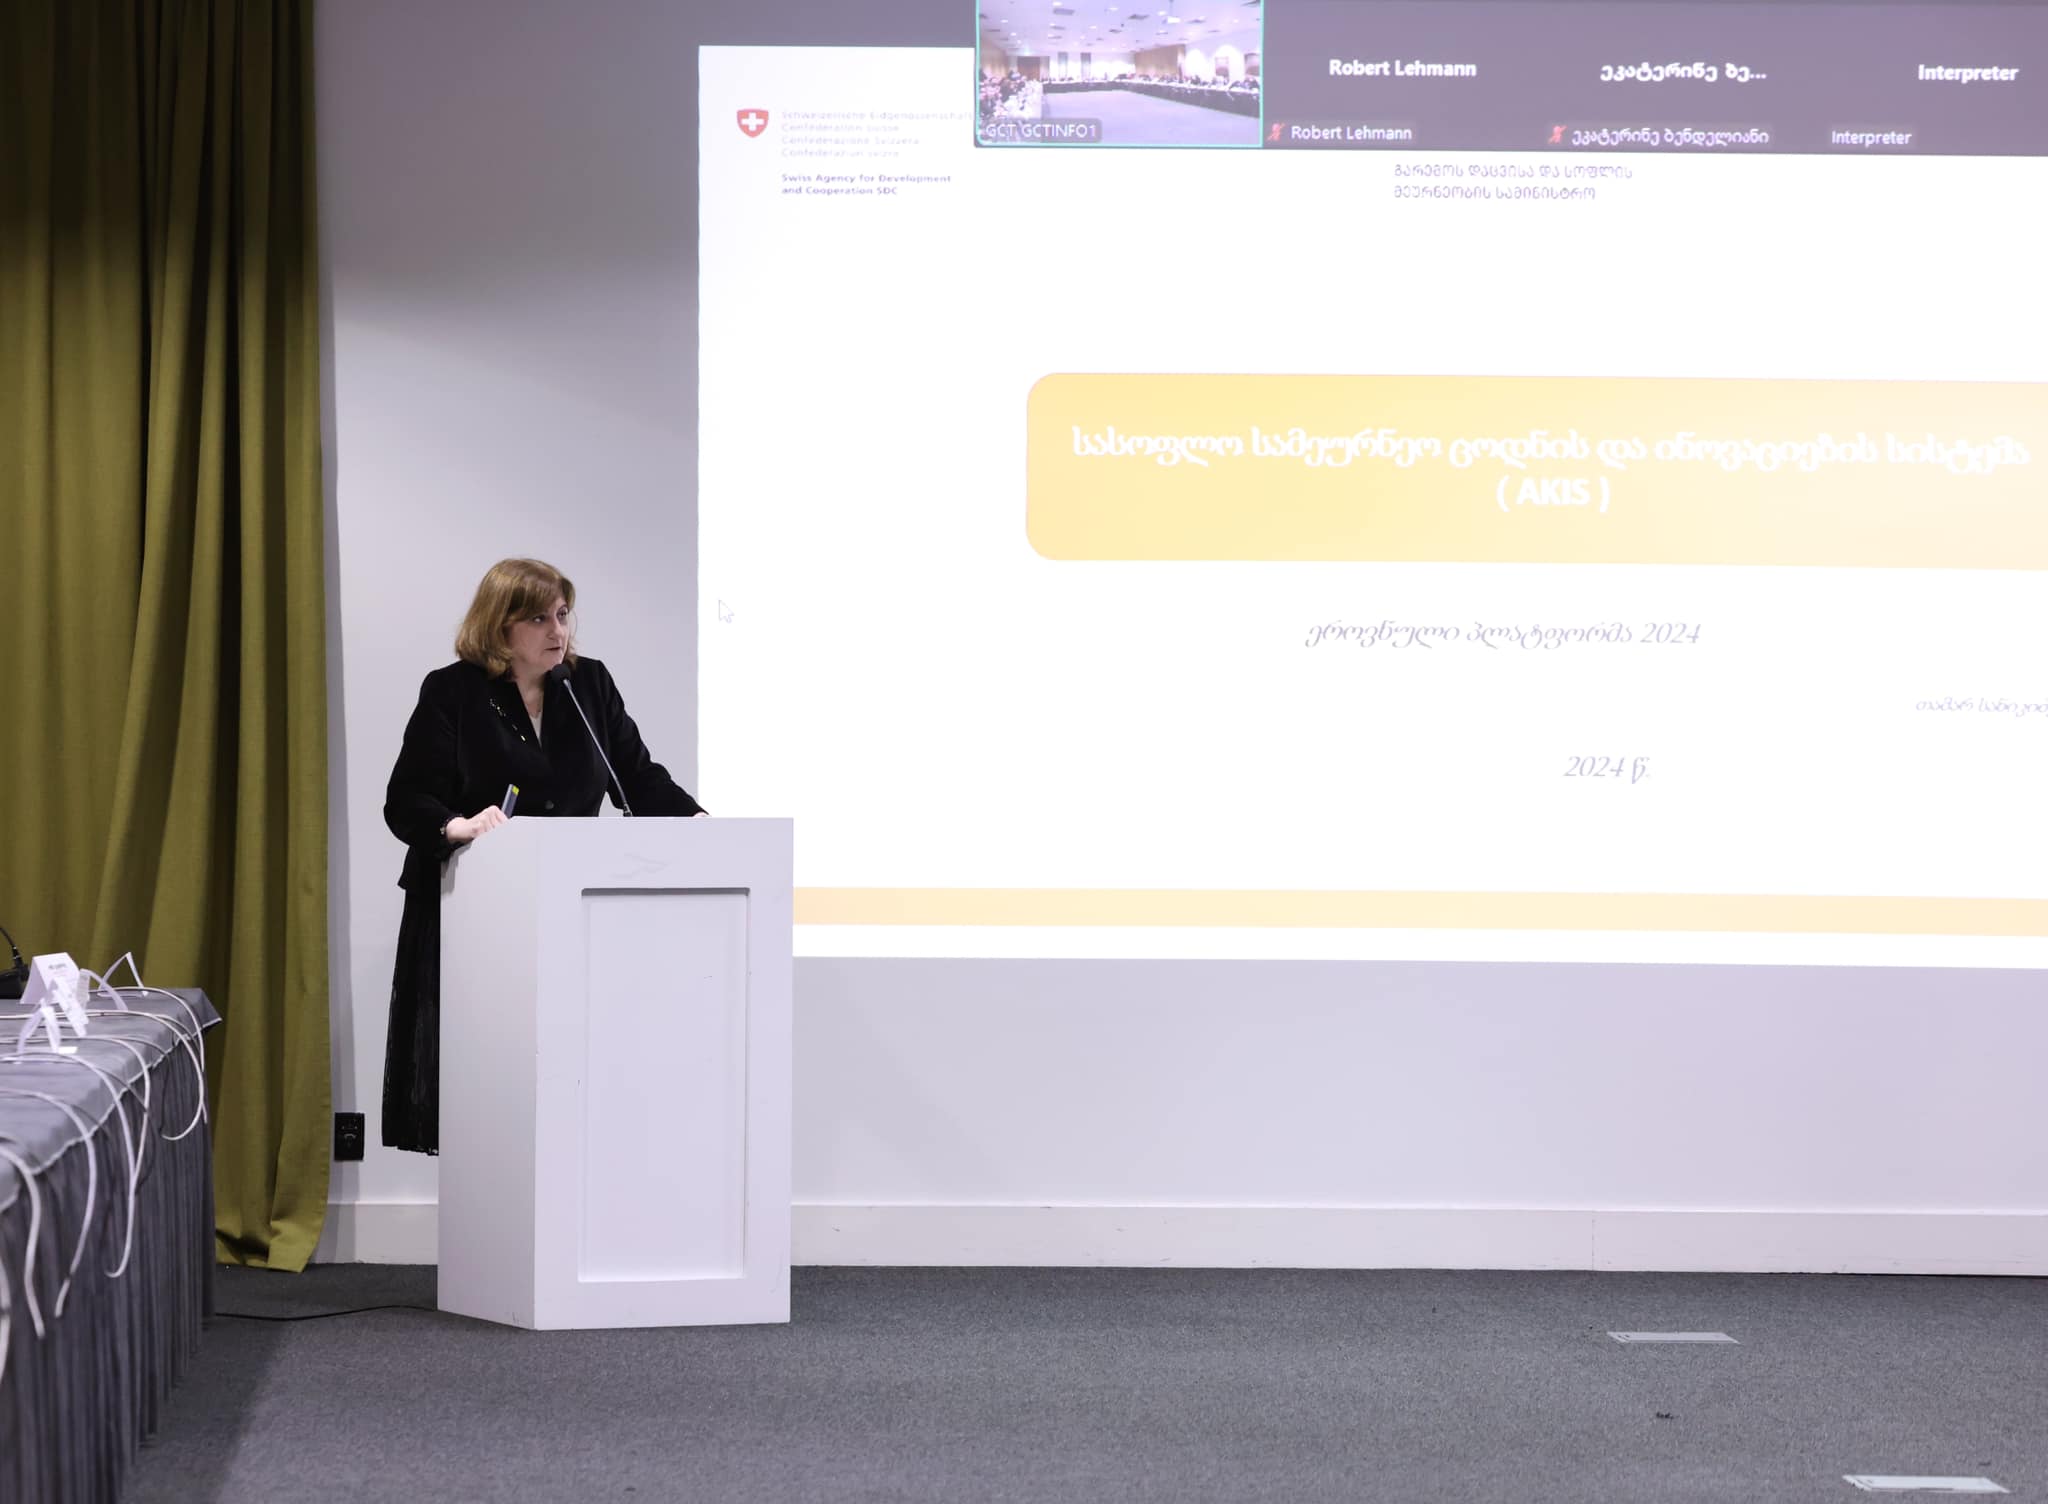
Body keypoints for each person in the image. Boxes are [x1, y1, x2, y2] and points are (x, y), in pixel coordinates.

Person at [380, 557, 706, 1153]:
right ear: (498, 625)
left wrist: (700, 823)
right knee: (487, 1086)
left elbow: (636, 777)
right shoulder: (454, 691)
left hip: (571, 909)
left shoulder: (588, 685)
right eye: (538, 618)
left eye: (562, 614)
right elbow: (406, 799)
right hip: (475, 910)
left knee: (568, 1079)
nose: (558, 631)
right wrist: (457, 825)